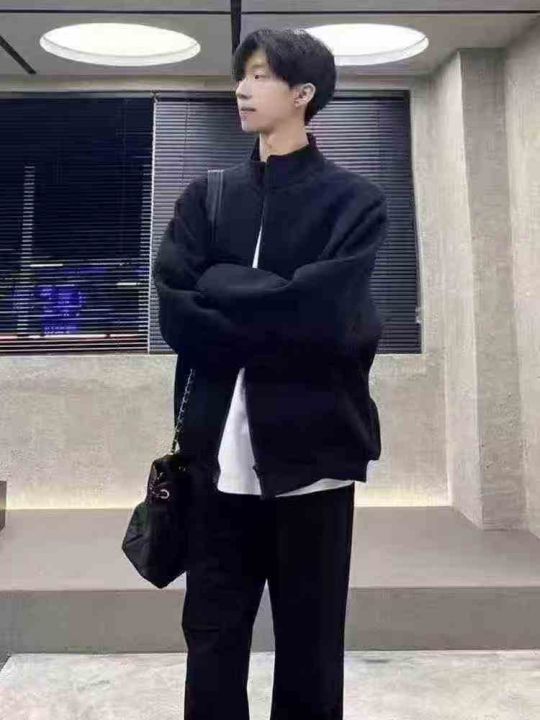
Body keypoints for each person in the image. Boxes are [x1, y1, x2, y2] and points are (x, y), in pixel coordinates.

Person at [153, 26, 387, 720]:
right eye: (242, 75)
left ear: (303, 93)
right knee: (211, 638)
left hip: (314, 461)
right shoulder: (206, 197)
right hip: (213, 461)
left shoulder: (354, 202)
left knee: (310, 647)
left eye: (260, 75)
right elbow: (176, 310)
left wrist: (221, 283)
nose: (242, 88)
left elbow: (326, 317)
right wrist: (276, 306)